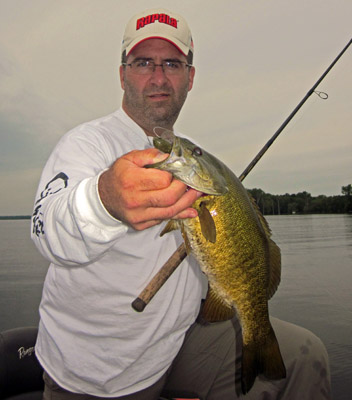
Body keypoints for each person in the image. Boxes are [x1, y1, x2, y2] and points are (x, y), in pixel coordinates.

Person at [31, 8, 332, 400]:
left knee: (304, 356)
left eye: (172, 63)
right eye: (143, 63)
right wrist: (103, 200)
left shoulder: (190, 158)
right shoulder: (86, 145)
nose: (158, 77)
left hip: (177, 344)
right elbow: (48, 231)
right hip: (98, 373)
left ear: (189, 77)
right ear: (122, 74)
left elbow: (223, 243)